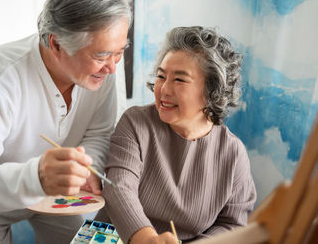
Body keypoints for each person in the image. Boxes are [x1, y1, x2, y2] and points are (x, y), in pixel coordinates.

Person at [0, 0, 132, 243]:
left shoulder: (99, 74)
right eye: (101, 55)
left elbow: (98, 132)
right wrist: (35, 178)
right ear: (57, 44)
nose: (112, 68)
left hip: (55, 193)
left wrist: (86, 169)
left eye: (119, 52)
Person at [96, 26, 256, 243]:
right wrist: (146, 239)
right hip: (115, 237)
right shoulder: (136, 122)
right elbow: (118, 188)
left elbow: (232, 223)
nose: (163, 90)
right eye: (161, 76)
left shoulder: (233, 153)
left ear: (212, 91)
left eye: (179, 80)